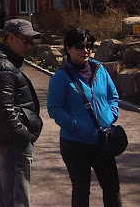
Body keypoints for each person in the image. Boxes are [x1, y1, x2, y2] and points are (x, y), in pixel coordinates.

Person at [47, 27, 122, 207]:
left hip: (102, 141)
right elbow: (54, 108)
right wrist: (75, 125)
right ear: (68, 48)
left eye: (89, 46)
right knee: (81, 191)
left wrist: (110, 116)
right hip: (75, 144)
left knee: (112, 188)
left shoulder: (99, 69)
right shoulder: (61, 77)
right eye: (79, 46)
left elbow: (113, 97)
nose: (85, 50)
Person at [0, 18, 43, 207]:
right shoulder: (2, 68)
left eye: (32, 42)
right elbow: (4, 111)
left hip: (8, 141)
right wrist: (24, 136)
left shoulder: (6, 63)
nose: (29, 46)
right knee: (16, 198)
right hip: (11, 143)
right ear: (11, 37)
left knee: (6, 194)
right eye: (26, 41)